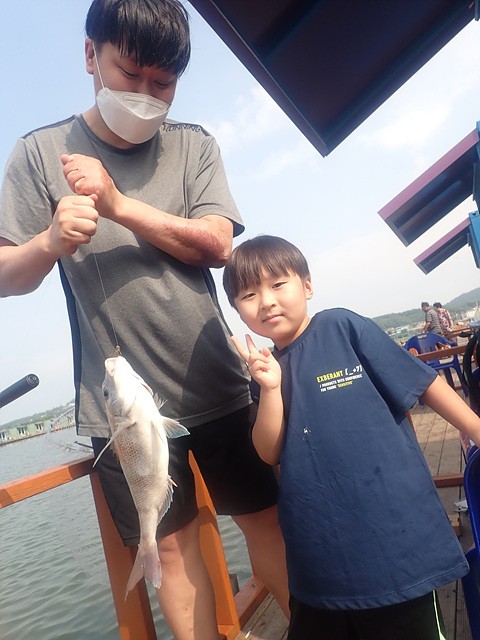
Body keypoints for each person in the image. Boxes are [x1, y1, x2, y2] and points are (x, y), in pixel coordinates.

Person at [0, 2, 289, 638]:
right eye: (129, 73)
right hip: (119, 416)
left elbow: (218, 244)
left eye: (163, 83)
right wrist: (48, 242)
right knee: (173, 557)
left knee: (267, 520)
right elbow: (6, 276)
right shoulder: (38, 154)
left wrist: (118, 205)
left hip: (220, 384)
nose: (146, 95)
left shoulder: (193, 144)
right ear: (90, 55)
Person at [223, 235, 480, 640]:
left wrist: (477, 431)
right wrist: (270, 388)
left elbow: (424, 384)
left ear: (308, 286)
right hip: (318, 557)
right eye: (249, 294)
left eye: (278, 284)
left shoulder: (342, 327)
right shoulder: (266, 369)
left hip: (396, 541)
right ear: (238, 310)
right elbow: (269, 451)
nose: (266, 301)